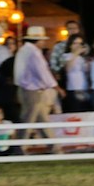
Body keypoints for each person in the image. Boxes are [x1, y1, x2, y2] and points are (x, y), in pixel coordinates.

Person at [14, 26, 61, 154]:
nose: (44, 42)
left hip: (27, 90)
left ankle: (53, 147)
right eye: (42, 40)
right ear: (38, 40)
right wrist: (55, 86)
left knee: (40, 119)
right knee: (29, 120)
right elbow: (42, 72)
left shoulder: (24, 50)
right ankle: (19, 147)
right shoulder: (34, 53)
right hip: (32, 91)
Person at [61, 34, 91, 113]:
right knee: (75, 112)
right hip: (73, 88)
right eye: (75, 43)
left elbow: (85, 72)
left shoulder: (81, 58)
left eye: (80, 43)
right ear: (70, 45)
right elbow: (67, 69)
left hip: (84, 88)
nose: (78, 46)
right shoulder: (66, 56)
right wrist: (76, 53)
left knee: (84, 112)